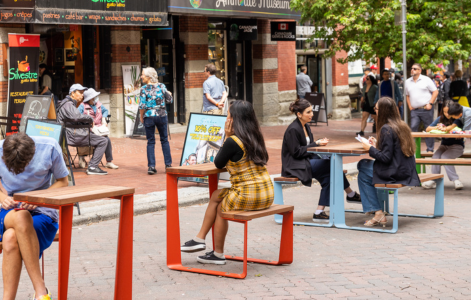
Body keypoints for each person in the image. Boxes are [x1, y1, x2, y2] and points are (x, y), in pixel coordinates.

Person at [179, 101, 274, 264]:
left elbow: (218, 163)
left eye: (228, 115)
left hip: (248, 195)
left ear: (234, 120)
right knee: (217, 194)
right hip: (267, 193)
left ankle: (217, 254)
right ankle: (199, 239)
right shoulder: (256, 137)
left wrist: (228, 136)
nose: (226, 118)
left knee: (221, 208)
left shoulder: (233, 141)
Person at [0, 133, 69, 300]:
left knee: (10, 237)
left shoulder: (50, 147)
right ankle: (41, 292)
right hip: (10, 212)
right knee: (22, 216)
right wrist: (3, 198)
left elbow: (63, 181)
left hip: (43, 211)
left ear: (34, 152)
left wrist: (38, 199)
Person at [282, 99, 361, 222]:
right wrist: (316, 143)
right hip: (295, 165)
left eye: (312, 111)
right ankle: (350, 194)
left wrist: (318, 145)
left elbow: (309, 148)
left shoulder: (305, 126)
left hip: (306, 161)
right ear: (299, 114)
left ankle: (319, 212)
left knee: (330, 170)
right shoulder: (293, 129)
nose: (312, 114)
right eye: (308, 112)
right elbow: (296, 152)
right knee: (332, 164)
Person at [356, 97, 420, 226]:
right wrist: (377, 144)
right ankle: (376, 210)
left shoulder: (386, 128)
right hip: (406, 170)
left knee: (362, 170)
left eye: (376, 109)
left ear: (383, 111)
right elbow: (394, 150)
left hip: (395, 172)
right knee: (363, 166)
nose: (375, 111)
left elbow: (385, 158)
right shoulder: (401, 125)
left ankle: (378, 212)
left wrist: (370, 148)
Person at [56, 84, 108, 175]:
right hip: (73, 135)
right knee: (103, 141)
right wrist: (89, 119)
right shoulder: (68, 104)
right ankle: (92, 167)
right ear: (72, 93)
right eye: (80, 92)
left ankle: (92, 165)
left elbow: (75, 118)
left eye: (82, 93)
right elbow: (77, 117)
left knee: (101, 139)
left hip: (71, 133)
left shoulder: (68, 103)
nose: (82, 95)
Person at [422, 102, 465, 190]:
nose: (447, 114)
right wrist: (437, 127)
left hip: (457, 146)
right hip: (444, 146)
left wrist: (445, 128)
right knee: (435, 157)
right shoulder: (440, 118)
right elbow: (427, 129)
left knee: (445, 157)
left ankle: (456, 180)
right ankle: (434, 180)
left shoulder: (457, 119)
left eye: (448, 112)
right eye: (445, 112)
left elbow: (453, 128)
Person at [139, 67, 173, 174]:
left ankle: (151, 167)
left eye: (143, 74)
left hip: (149, 115)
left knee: (150, 142)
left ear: (149, 77)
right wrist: (170, 94)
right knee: (164, 140)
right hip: (162, 114)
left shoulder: (143, 89)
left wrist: (141, 116)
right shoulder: (162, 86)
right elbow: (169, 100)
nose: (141, 76)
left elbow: (142, 105)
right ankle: (168, 165)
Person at [77, 88, 118, 169]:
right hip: (88, 130)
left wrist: (104, 118)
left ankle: (109, 162)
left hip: (99, 129)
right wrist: (86, 120)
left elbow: (105, 111)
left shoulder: (98, 104)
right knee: (102, 140)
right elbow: (77, 116)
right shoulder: (82, 106)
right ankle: (85, 158)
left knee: (107, 140)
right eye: (94, 97)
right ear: (90, 98)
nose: (96, 98)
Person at [405, 63, 438, 152]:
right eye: (412, 68)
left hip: (426, 109)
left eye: (415, 69)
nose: (412, 70)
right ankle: (412, 149)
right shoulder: (407, 81)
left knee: (428, 128)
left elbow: (435, 91)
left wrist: (430, 103)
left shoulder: (426, 79)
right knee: (413, 128)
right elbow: (407, 95)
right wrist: (410, 106)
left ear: (420, 71)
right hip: (415, 110)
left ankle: (430, 149)